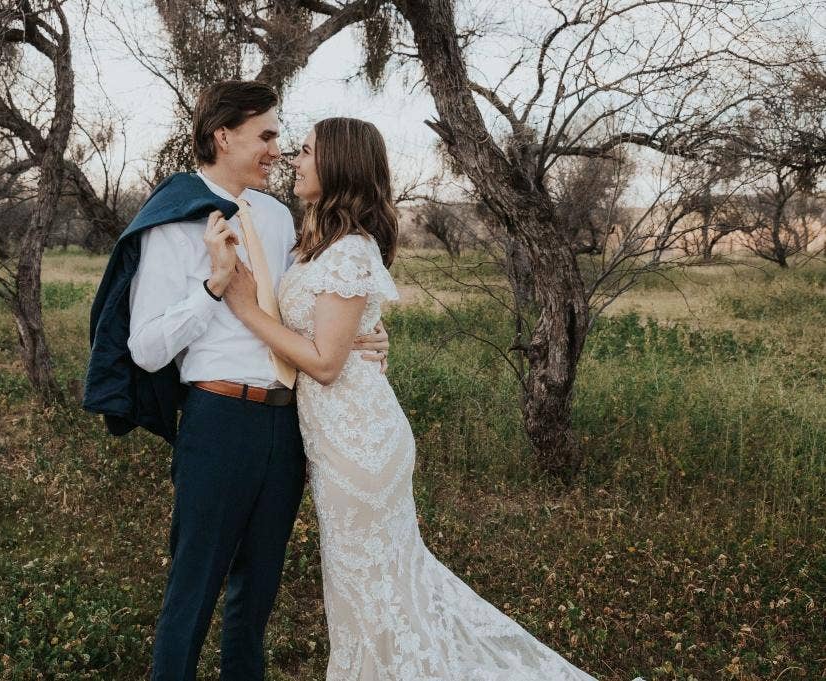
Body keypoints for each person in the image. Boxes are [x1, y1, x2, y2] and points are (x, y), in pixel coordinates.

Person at [222, 117, 643, 680]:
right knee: (372, 589)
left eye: (305, 152)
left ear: (339, 164)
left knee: (375, 591)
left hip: (359, 443)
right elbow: (333, 336)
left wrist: (245, 307)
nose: (294, 161)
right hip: (337, 440)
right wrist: (364, 333)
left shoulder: (349, 249)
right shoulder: (315, 243)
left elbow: (323, 363)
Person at [83, 83, 389, 681]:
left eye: (281, 138)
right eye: (267, 136)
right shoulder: (172, 222)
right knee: (193, 588)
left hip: (290, 422)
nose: (278, 150)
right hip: (219, 421)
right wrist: (213, 287)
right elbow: (144, 351)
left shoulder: (279, 218)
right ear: (223, 135)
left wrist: (367, 337)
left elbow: (313, 310)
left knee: (258, 595)